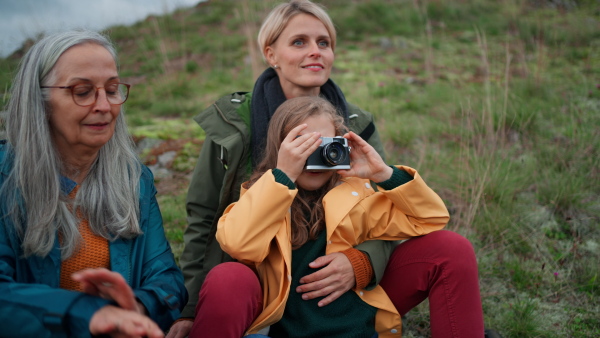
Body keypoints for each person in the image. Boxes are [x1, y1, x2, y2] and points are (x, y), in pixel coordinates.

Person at [172, 1, 485, 337]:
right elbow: (206, 218)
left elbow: (383, 211)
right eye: (298, 42)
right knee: (228, 279)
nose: (315, 52)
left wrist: (362, 262)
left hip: (344, 284)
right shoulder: (234, 124)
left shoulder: (356, 125)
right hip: (266, 282)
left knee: (451, 249)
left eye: (324, 43)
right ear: (270, 54)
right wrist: (190, 309)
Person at [0, 30, 188, 337]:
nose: (104, 105)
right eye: (82, 91)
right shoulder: (4, 179)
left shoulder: (134, 180)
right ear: (41, 101)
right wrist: (87, 314)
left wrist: (133, 309)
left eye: (112, 90)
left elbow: (166, 278)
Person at [215, 95, 450, 337]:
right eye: (303, 145)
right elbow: (237, 243)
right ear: (280, 148)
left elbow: (430, 218)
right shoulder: (262, 197)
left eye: (325, 145)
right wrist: (282, 176)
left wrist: (385, 174)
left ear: (341, 145)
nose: (314, 157)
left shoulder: (359, 196)